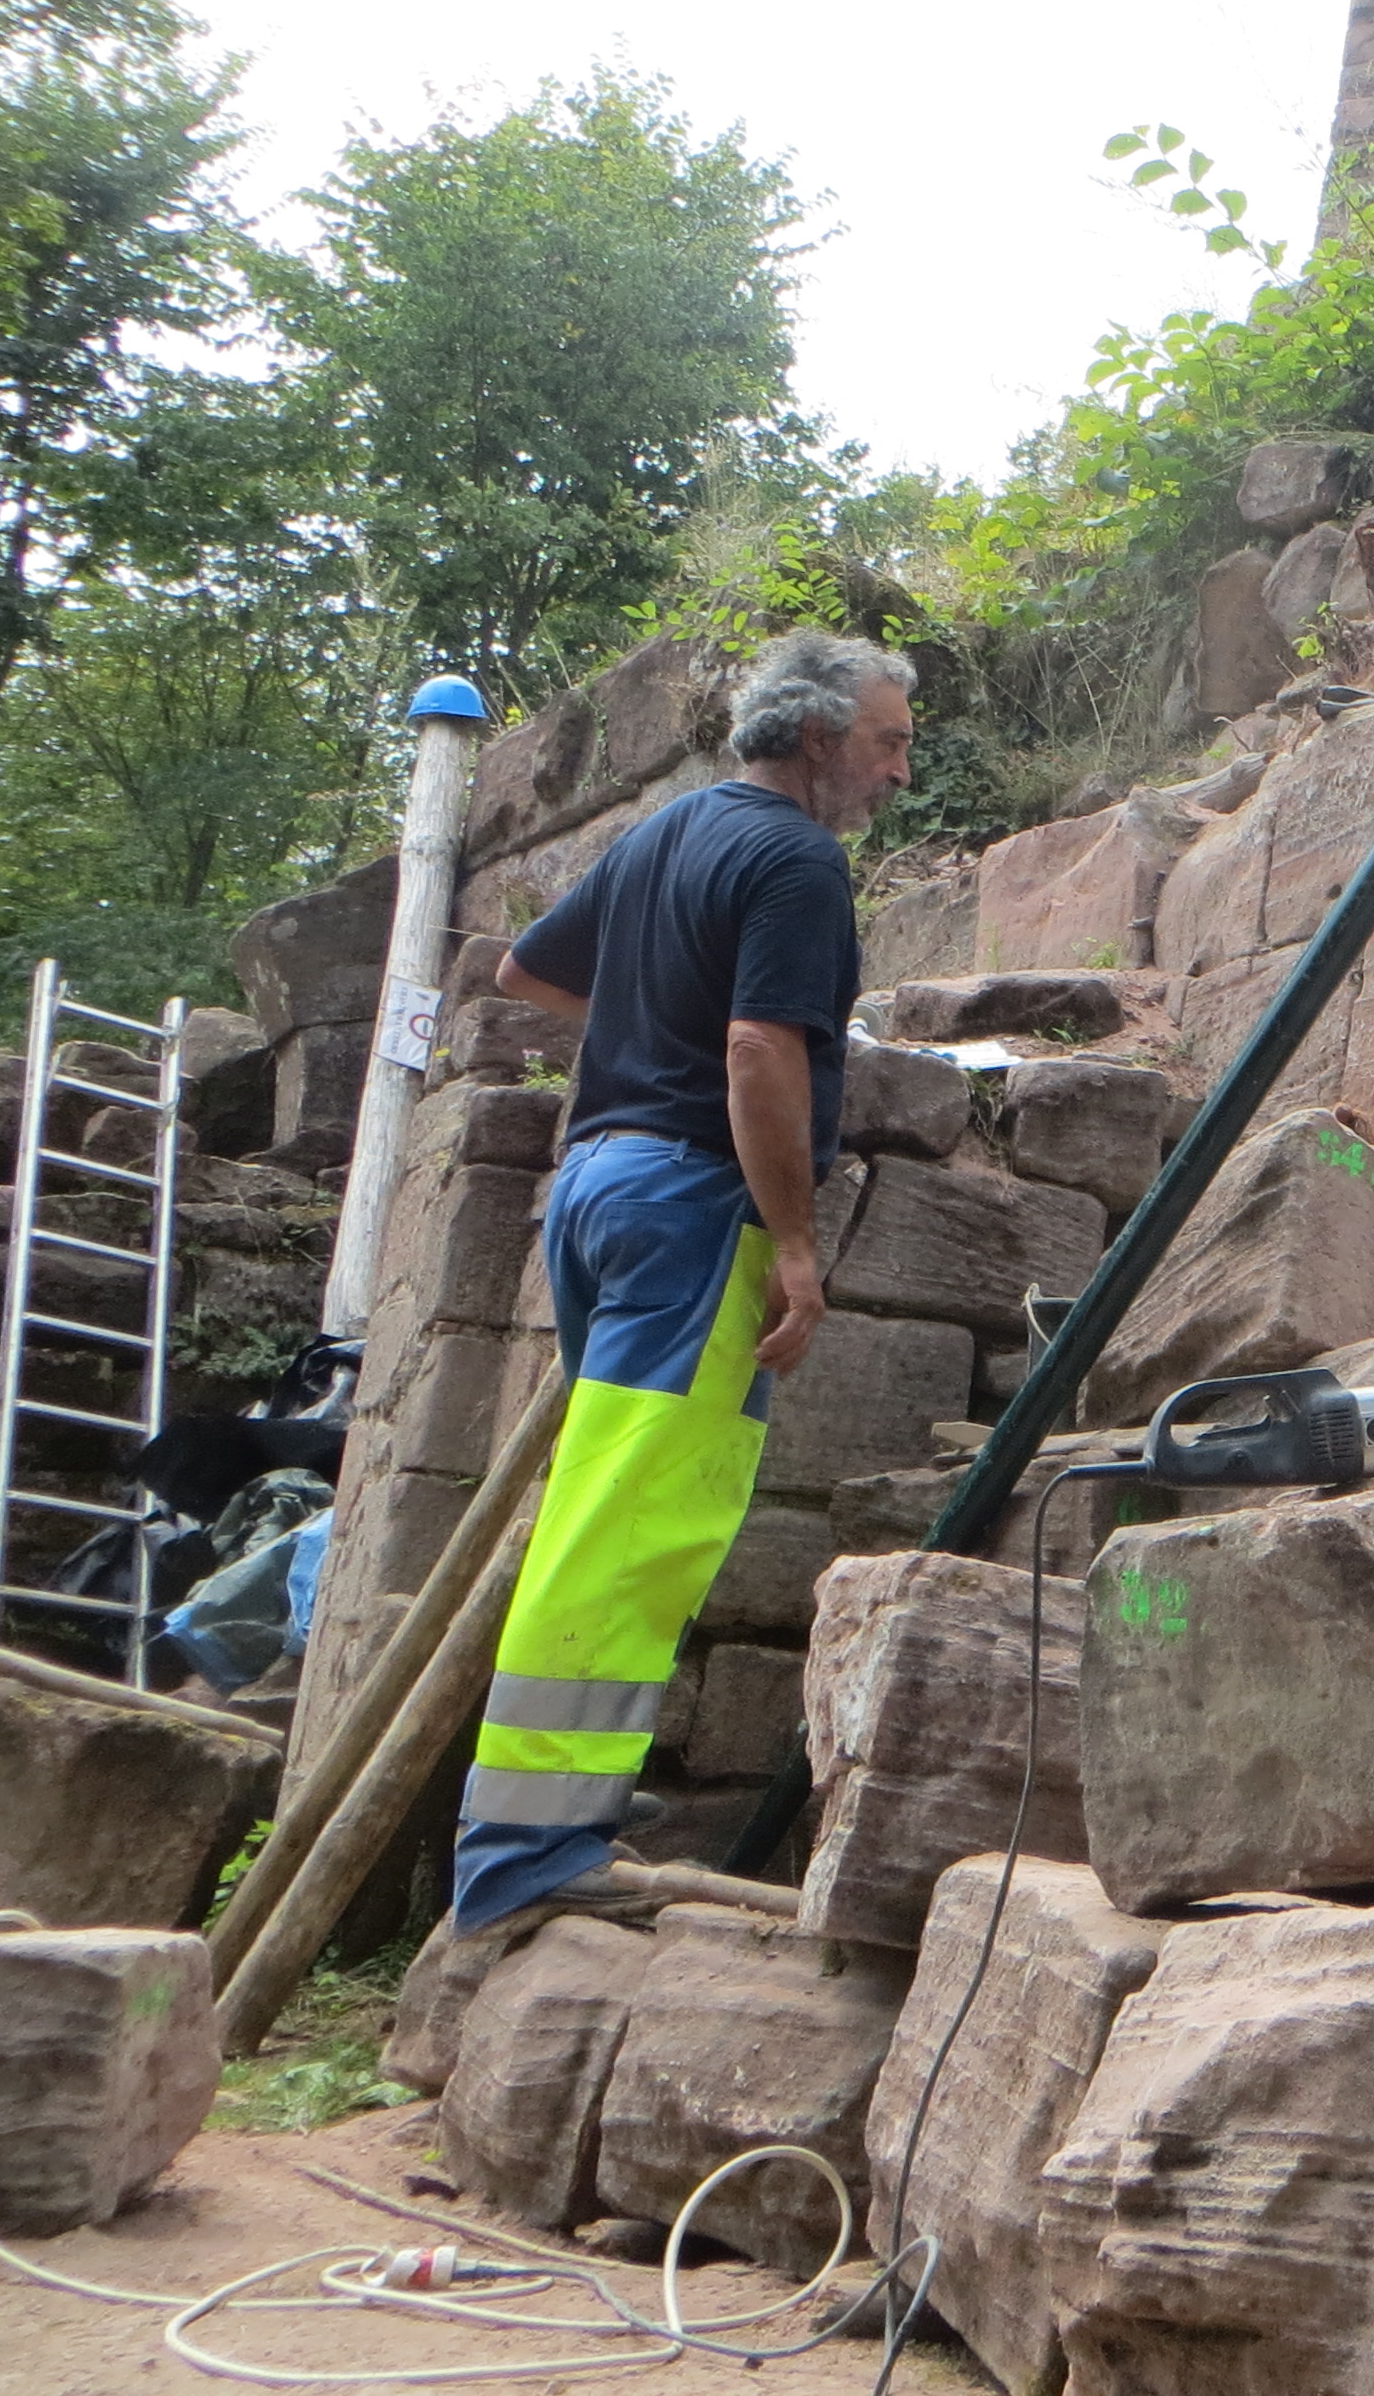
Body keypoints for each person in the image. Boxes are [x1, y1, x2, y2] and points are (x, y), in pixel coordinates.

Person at [448, 630, 914, 1928]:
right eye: (887, 744)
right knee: (636, 1521)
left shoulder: (668, 833)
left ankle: (555, 1809)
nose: (899, 773)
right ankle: (527, 1859)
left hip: (596, 1188)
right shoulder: (797, 861)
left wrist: (654, 1022)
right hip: (695, 1208)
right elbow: (761, 1048)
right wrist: (797, 1244)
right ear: (817, 739)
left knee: (602, 1502)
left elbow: (529, 969)